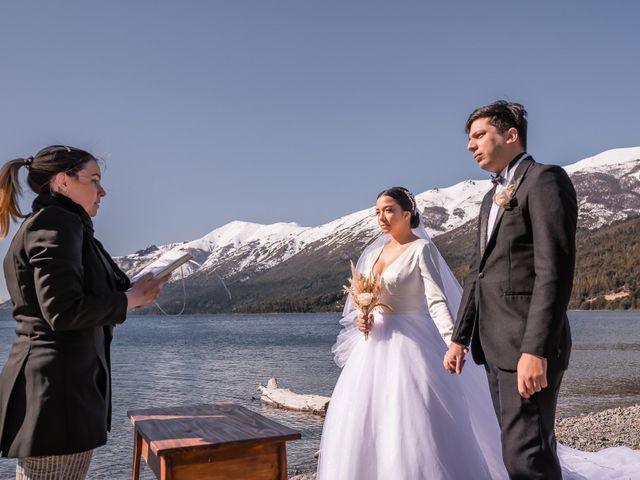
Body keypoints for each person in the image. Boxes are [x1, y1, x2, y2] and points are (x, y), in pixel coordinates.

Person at [318, 186, 640, 479]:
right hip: (373, 349)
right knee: (364, 423)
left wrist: (452, 341)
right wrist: (365, 320)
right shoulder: (374, 255)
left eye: (388, 210)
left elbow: (436, 301)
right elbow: (370, 302)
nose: (382, 217)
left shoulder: (421, 250)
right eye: (377, 211)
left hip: (410, 348)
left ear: (407, 213)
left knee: (411, 423)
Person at [0, 146, 166, 479]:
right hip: (57, 400)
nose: (102, 191)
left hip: (58, 396)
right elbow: (61, 311)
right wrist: (129, 300)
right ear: (62, 182)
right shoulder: (56, 223)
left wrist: (131, 292)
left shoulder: (61, 223)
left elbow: (68, 299)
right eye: (93, 180)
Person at [444, 101, 575, 479]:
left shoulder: (545, 180)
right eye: (469, 138)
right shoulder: (490, 199)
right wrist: (459, 339)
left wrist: (535, 350)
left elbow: (555, 271)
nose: (471, 145)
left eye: (479, 135)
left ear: (511, 135)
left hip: (526, 345)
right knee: (521, 451)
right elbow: (477, 274)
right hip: (495, 345)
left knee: (526, 458)